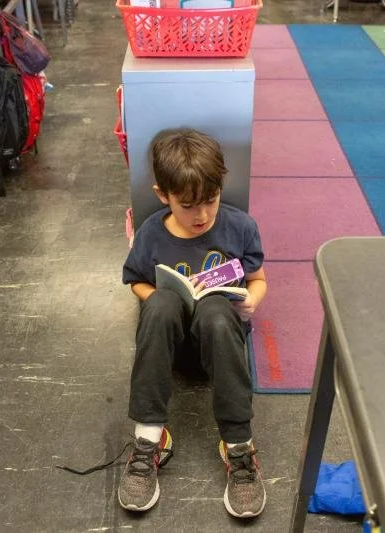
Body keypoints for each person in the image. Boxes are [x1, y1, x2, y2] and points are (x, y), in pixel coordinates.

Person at [118, 129, 268, 518]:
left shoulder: (239, 227)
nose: (201, 215)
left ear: (222, 188)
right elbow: (135, 280)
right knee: (161, 303)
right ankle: (149, 439)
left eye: (210, 201)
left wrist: (252, 299)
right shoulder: (152, 233)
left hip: (220, 346)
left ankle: (238, 446)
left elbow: (258, 278)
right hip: (171, 349)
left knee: (218, 312)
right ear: (162, 194)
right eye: (187, 205)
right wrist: (161, 301)